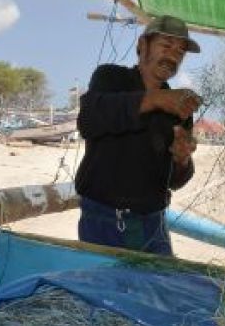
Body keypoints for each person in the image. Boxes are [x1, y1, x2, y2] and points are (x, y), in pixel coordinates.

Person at [75, 14, 203, 255]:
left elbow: (175, 181)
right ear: (142, 45)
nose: (173, 56)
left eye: (180, 51)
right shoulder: (111, 77)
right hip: (104, 222)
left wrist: (182, 159)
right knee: (108, 292)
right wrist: (155, 99)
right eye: (166, 46)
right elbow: (89, 120)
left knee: (162, 288)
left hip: (154, 224)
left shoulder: (180, 107)